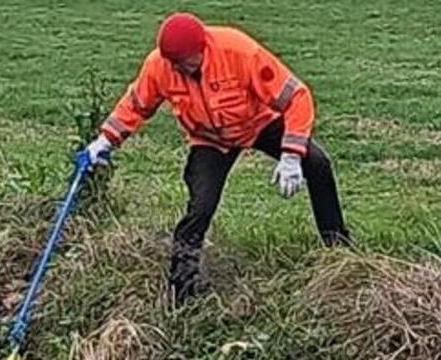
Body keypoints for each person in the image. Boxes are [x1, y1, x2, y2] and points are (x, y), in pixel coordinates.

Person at [77, 12, 351, 305]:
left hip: (258, 123)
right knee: (201, 207)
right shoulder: (160, 66)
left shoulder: (238, 50)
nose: (178, 68)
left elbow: (297, 95)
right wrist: (104, 141)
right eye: (173, 63)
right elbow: (136, 105)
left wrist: (292, 155)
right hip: (209, 140)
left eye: (183, 62)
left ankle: (338, 250)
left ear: (202, 49)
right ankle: (182, 292)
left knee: (317, 164)